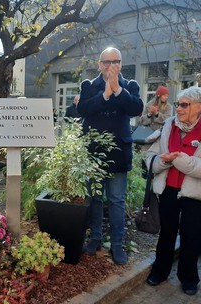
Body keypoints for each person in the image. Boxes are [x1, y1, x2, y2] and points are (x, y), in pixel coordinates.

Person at [77, 47, 143, 265]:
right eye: (106, 62)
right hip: (93, 153)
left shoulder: (130, 85)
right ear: (99, 64)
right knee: (94, 198)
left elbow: (136, 108)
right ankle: (95, 237)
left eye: (115, 61)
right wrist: (105, 94)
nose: (110, 65)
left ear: (121, 64)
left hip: (118, 154)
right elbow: (83, 110)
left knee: (116, 201)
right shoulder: (88, 85)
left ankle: (117, 243)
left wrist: (117, 90)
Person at [146, 86, 201, 296]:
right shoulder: (169, 125)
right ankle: (160, 271)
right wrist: (163, 161)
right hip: (168, 188)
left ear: (198, 107)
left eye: (184, 105)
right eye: (178, 104)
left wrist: (181, 161)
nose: (178, 109)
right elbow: (150, 157)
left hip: (194, 193)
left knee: (191, 235)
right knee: (166, 233)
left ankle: (188, 278)